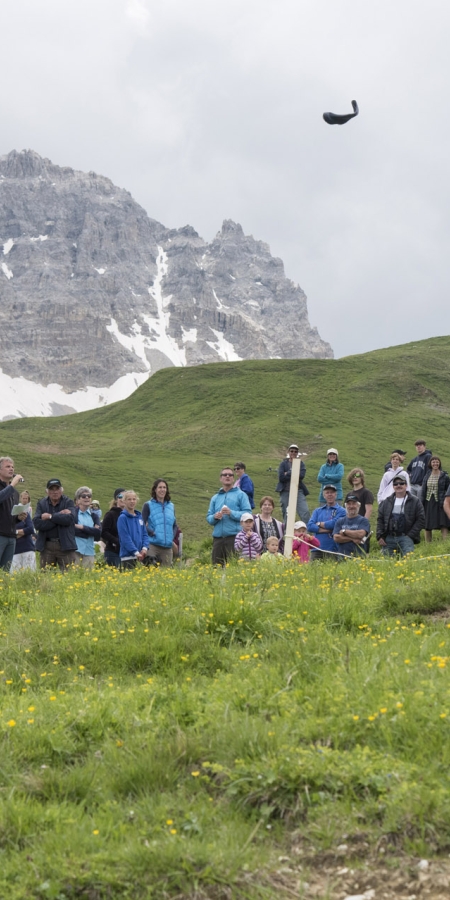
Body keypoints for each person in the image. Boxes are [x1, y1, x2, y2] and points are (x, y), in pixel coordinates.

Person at [206, 467, 251, 565]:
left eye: (230, 475)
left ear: (233, 479)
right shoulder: (215, 497)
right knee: (216, 569)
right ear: (220, 478)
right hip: (218, 539)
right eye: (224, 475)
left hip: (234, 538)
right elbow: (209, 518)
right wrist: (215, 517)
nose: (227, 476)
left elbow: (248, 515)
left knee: (233, 568)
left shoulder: (241, 495)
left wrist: (231, 513)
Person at [33, 479, 77, 571]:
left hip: (65, 546)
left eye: (57, 489)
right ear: (47, 492)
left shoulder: (68, 502)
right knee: (45, 576)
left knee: (68, 576)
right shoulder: (41, 503)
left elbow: (70, 519)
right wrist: (59, 518)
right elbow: (37, 524)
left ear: (61, 490)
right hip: (46, 547)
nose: (55, 492)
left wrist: (50, 516)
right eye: (51, 489)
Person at [377, 473, 425, 556]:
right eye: (395, 484)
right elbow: (380, 519)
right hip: (389, 538)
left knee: (408, 562)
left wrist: (410, 535)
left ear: (406, 485)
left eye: (401, 483)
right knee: (386, 563)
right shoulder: (386, 502)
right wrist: (380, 536)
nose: (398, 485)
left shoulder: (415, 501)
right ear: (393, 486)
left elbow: (421, 519)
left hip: (406, 537)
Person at [142, 479, 176, 567]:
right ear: (155, 490)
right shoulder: (148, 505)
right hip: (152, 545)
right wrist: (151, 532)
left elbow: (175, 525)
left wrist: (172, 535)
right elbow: (141, 524)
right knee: (150, 571)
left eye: (164, 487)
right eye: (160, 487)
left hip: (167, 547)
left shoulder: (171, 506)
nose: (162, 489)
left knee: (166, 575)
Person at [307, 485, 346, 560]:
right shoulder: (317, 511)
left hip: (333, 549)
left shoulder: (341, 511)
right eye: (327, 492)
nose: (330, 494)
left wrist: (318, 524)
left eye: (332, 492)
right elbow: (310, 526)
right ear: (324, 495)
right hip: (316, 548)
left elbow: (334, 524)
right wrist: (328, 530)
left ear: (336, 494)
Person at [0, 457, 24, 572]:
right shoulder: (11, 488)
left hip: (11, 536)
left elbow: (10, 514)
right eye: (7, 467)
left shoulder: (15, 493)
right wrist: (12, 485)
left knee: (5, 571)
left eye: (12, 467)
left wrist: (19, 518)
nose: (11, 469)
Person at [276, 444, 309, 522]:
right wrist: (294, 473)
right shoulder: (283, 464)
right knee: (286, 512)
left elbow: (301, 476)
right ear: (288, 452)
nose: (293, 453)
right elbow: (281, 477)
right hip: (285, 491)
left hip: (298, 490)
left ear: (297, 453)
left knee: (305, 511)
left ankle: (307, 531)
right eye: (292, 451)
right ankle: (286, 531)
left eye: (295, 451)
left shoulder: (301, 463)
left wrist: (287, 473)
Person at [117, 490, 150, 569]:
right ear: (124, 501)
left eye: (134, 499)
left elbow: (144, 534)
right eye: (129, 499)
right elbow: (125, 538)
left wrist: (145, 548)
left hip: (140, 557)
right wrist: (135, 552)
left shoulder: (139, 517)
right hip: (128, 557)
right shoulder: (122, 518)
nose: (132, 501)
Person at [421, 457, 450, 542]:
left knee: (443, 522)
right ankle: (428, 543)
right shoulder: (427, 475)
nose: (435, 464)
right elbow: (424, 489)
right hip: (429, 501)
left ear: (439, 464)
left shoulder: (444, 476)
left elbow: (448, 489)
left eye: (437, 462)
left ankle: (445, 542)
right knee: (427, 523)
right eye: (433, 462)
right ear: (430, 464)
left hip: (440, 501)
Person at [73, 486, 101, 569]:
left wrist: (82, 527)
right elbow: (72, 530)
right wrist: (90, 531)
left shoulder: (94, 516)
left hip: (89, 551)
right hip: (75, 550)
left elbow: (98, 532)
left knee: (88, 577)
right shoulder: (73, 513)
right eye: (83, 496)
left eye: (89, 496)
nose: (87, 498)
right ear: (78, 500)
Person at [101, 489, 126, 567]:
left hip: (127, 552)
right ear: (116, 499)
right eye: (120, 496)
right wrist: (117, 541)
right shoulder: (110, 514)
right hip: (113, 552)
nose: (122, 499)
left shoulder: (129, 515)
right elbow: (104, 532)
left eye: (125, 496)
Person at [11, 504, 36, 572]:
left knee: (30, 574)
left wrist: (15, 532)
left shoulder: (23, 513)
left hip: (28, 549)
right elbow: (6, 533)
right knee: (15, 576)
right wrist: (24, 532)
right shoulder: (5, 516)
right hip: (15, 551)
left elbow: (31, 529)